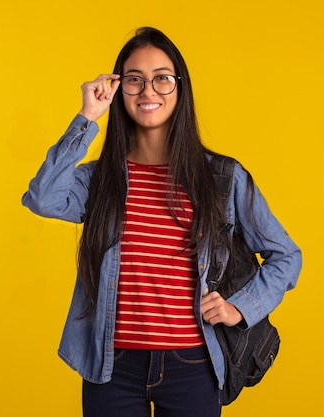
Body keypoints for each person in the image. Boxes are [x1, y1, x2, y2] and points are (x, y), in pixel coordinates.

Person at [22, 27, 302, 417]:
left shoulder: (222, 178)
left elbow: (286, 256)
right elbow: (42, 198)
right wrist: (87, 116)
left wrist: (242, 307)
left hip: (193, 365)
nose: (148, 91)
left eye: (161, 79)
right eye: (134, 80)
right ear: (118, 90)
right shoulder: (100, 179)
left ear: (179, 88)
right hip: (112, 366)